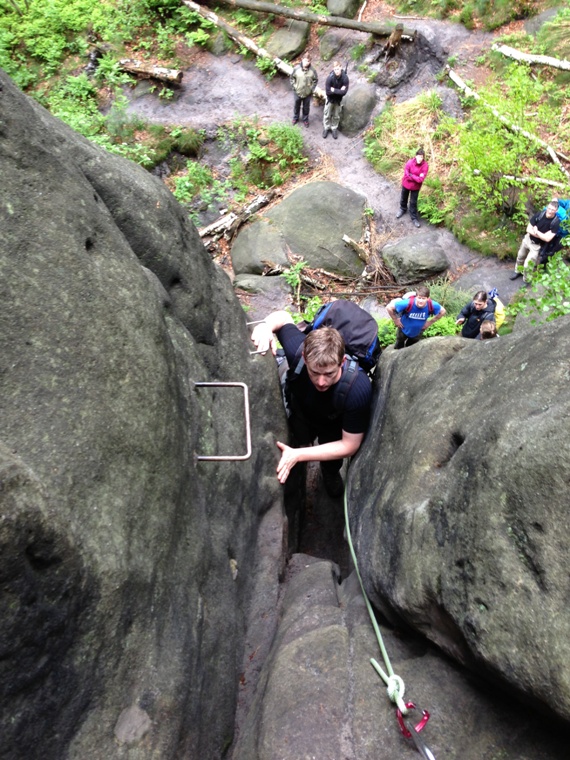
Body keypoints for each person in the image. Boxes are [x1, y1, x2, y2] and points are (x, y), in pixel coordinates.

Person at [251, 311, 372, 494]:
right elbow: (283, 318)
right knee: (300, 437)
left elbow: (349, 445)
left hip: (333, 423)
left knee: (331, 461)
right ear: (305, 359)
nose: (321, 382)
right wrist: (265, 326)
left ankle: (329, 473)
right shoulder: (296, 351)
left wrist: (298, 455)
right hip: (302, 409)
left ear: (342, 362)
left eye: (329, 374)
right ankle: (301, 458)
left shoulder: (357, 388)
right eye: (315, 372)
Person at [510, 200, 560, 283]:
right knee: (520, 256)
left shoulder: (556, 222)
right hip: (527, 239)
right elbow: (528, 229)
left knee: (528, 265)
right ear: (547, 207)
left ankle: (526, 280)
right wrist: (542, 235)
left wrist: (536, 231)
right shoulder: (540, 214)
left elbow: (547, 239)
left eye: (552, 210)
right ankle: (517, 271)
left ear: (556, 211)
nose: (550, 211)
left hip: (536, 245)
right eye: (549, 208)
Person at [396, 148, 429, 228]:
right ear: (416, 156)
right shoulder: (410, 162)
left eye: (421, 157)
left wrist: (412, 175)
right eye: (419, 156)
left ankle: (413, 217)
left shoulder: (425, 166)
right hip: (406, 184)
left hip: (415, 187)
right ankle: (402, 209)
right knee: (404, 198)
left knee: (413, 202)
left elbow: (420, 179)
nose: (420, 159)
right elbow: (406, 175)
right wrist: (415, 177)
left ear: (423, 157)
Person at [323, 61, 348, 140]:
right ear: (333, 69)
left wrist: (333, 90)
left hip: (338, 101)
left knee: (336, 116)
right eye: (335, 69)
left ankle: (334, 129)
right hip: (330, 99)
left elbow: (344, 92)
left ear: (341, 67)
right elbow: (328, 92)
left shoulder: (345, 78)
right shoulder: (330, 78)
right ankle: (326, 128)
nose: (337, 71)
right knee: (327, 114)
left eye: (338, 69)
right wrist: (339, 91)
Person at [290, 56, 318, 128]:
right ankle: (295, 118)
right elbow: (292, 78)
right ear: (302, 60)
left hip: (307, 93)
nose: (306, 62)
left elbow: (315, 80)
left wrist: (311, 89)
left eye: (308, 61)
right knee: (296, 106)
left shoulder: (313, 71)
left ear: (310, 62)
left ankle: (305, 119)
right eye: (305, 60)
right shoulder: (296, 69)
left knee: (306, 107)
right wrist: (294, 87)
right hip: (297, 92)